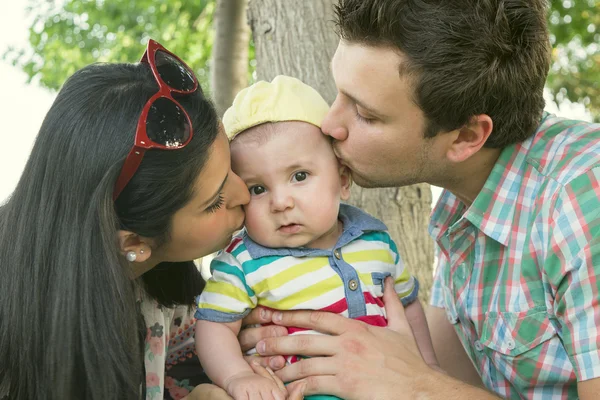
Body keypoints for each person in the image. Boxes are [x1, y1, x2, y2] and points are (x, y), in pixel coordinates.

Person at [245, 1, 600, 399]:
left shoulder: (584, 199)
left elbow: (427, 382)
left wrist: (416, 386)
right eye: (339, 93)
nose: (330, 124)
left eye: (364, 113)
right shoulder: (464, 200)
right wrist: (300, 327)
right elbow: (471, 368)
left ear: (466, 137)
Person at [0, 39, 282, 400]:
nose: (245, 194)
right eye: (214, 202)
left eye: (232, 168)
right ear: (133, 244)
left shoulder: (168, 295)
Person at [194, 75, 435, 400]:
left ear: (343, 179)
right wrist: (236, 375)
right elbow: (214, 325)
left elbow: (408, 308)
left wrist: (428, 368)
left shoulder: (376, 241)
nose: (281, 202)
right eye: (258, 189)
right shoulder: (244, 262)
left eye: (299, 176)